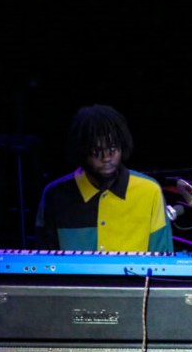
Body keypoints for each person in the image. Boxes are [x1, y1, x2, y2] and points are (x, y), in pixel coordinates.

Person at [35, 104, 173, 252]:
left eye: (112, 148)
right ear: (82, 151)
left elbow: (163, 262)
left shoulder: (149, 191)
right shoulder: (55, 195)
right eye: (97, 150)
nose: (106, 157)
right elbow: (44, 262)